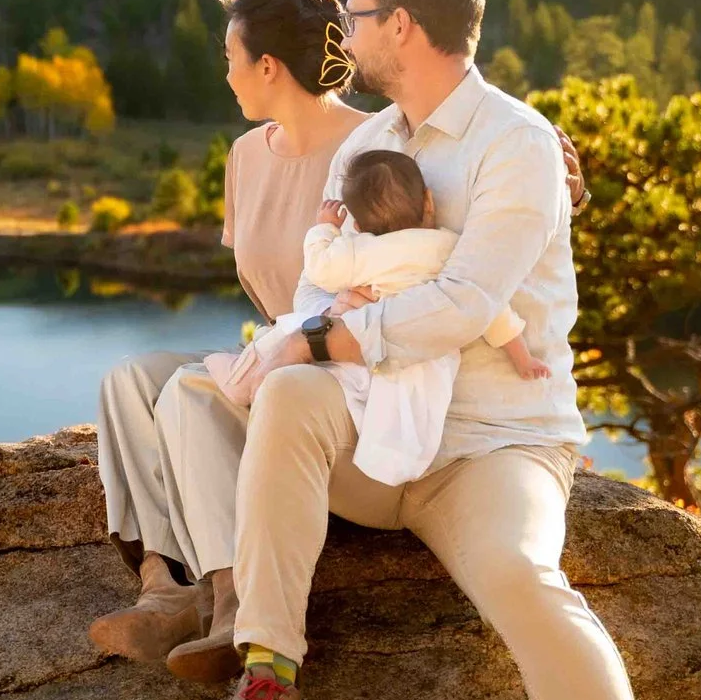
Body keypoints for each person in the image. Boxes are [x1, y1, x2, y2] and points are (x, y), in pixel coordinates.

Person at [197, 0, 688, 700]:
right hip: (379, 435)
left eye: (359, 13)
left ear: (403, 27)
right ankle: (267, 674)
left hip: (493, 442)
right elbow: (313, 280)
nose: (346, 28)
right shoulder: (364, 142)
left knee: (518, 575)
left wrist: (328, 336)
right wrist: (304, 342)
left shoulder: (515, 145)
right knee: (289, 396)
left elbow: (465, 303)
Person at [89, 0, 587, 683]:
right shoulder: (243, 156)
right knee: (130, 381)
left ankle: (232, 600)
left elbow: (447, 256)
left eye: (230, 60)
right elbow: (277, 292)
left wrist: (568, 191)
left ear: (266, 64)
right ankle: (166, 583)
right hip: (290, 336)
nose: (224, 76)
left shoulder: (375, 146)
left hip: (344, 358)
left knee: (185, 394)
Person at [212, 149, 547, 487]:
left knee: (283, 338)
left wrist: (323, 228)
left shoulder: (363, 251)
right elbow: (488, 306)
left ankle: (244, 381)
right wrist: (523, 357)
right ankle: (378, 469)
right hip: (423, 357)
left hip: (355, 340)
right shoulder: (452, 249)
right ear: (428, 202)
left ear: (357, 225)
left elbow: (321, 269)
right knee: (397, 416)